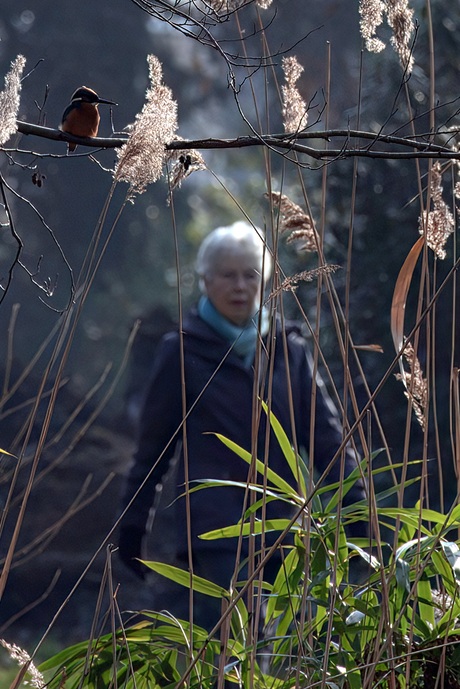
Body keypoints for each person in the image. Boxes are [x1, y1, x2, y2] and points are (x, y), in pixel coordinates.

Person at [119, 221, 365, 628]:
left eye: (249, 275)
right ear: (205, 280)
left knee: (276, 648)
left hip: (282, 529)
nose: (239, 286)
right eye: (227, 275)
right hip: (214, 533)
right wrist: (132, 524)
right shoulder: (181, 350)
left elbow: (327, 438)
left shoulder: (289, 349)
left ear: (264, 280)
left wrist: (361, 507)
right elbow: (152, 452)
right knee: (233, 648)